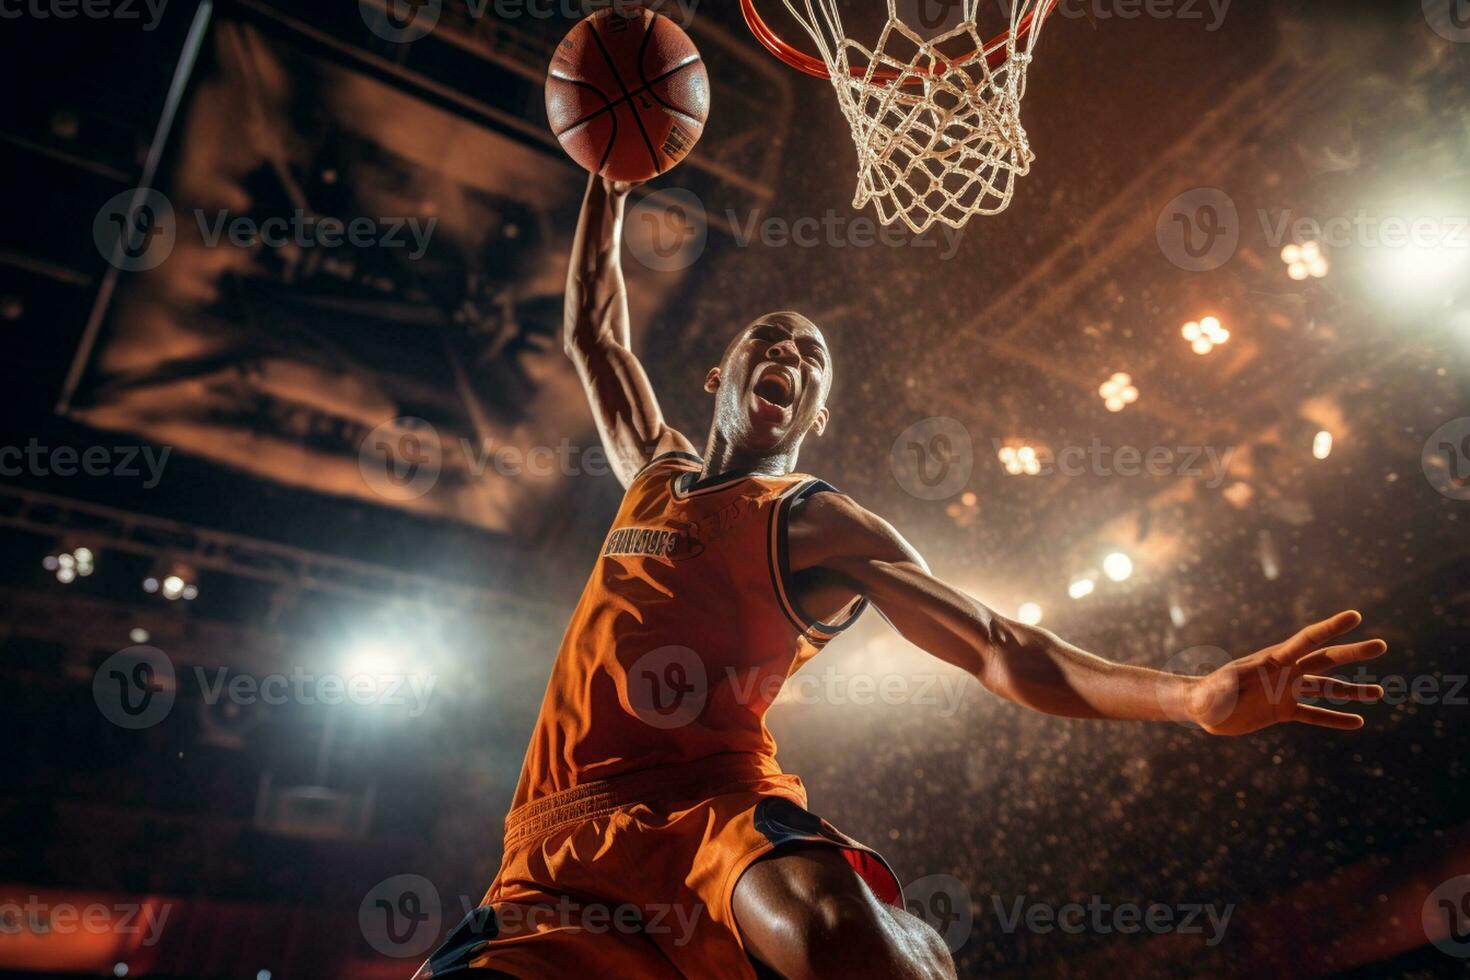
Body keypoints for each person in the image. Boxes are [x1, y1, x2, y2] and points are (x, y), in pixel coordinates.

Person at [414, 176, 1389, 979]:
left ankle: (915, 954)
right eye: (775, 337)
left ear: (814, 416)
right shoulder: (654, 470)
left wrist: (1195, 694)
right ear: (721, 372)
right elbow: (596, 329)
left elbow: (1001, 646)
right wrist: (604, 175)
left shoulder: (813, 520)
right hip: (551, 849)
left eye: (813, 358)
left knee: (841, 941)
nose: (790, 353)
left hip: (712, 810)